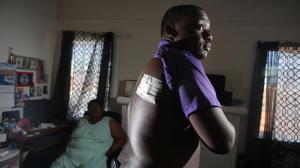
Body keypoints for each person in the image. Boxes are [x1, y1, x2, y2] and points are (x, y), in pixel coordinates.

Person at [118, 5, 236, 168]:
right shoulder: (182, 62)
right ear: (171, 30)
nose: (209, 36)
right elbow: (223, 141)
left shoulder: (156, 63)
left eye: (209, 30)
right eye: (200, 27)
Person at [51, 99, 126, 168]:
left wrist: (109, 152)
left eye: (95, 108)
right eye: (90, 108)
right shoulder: (82, 120)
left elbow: (121, 139)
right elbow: (72, 136)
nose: (92, 110)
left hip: (92, 163)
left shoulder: (109, 123)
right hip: (68, 159)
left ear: (102, 109)